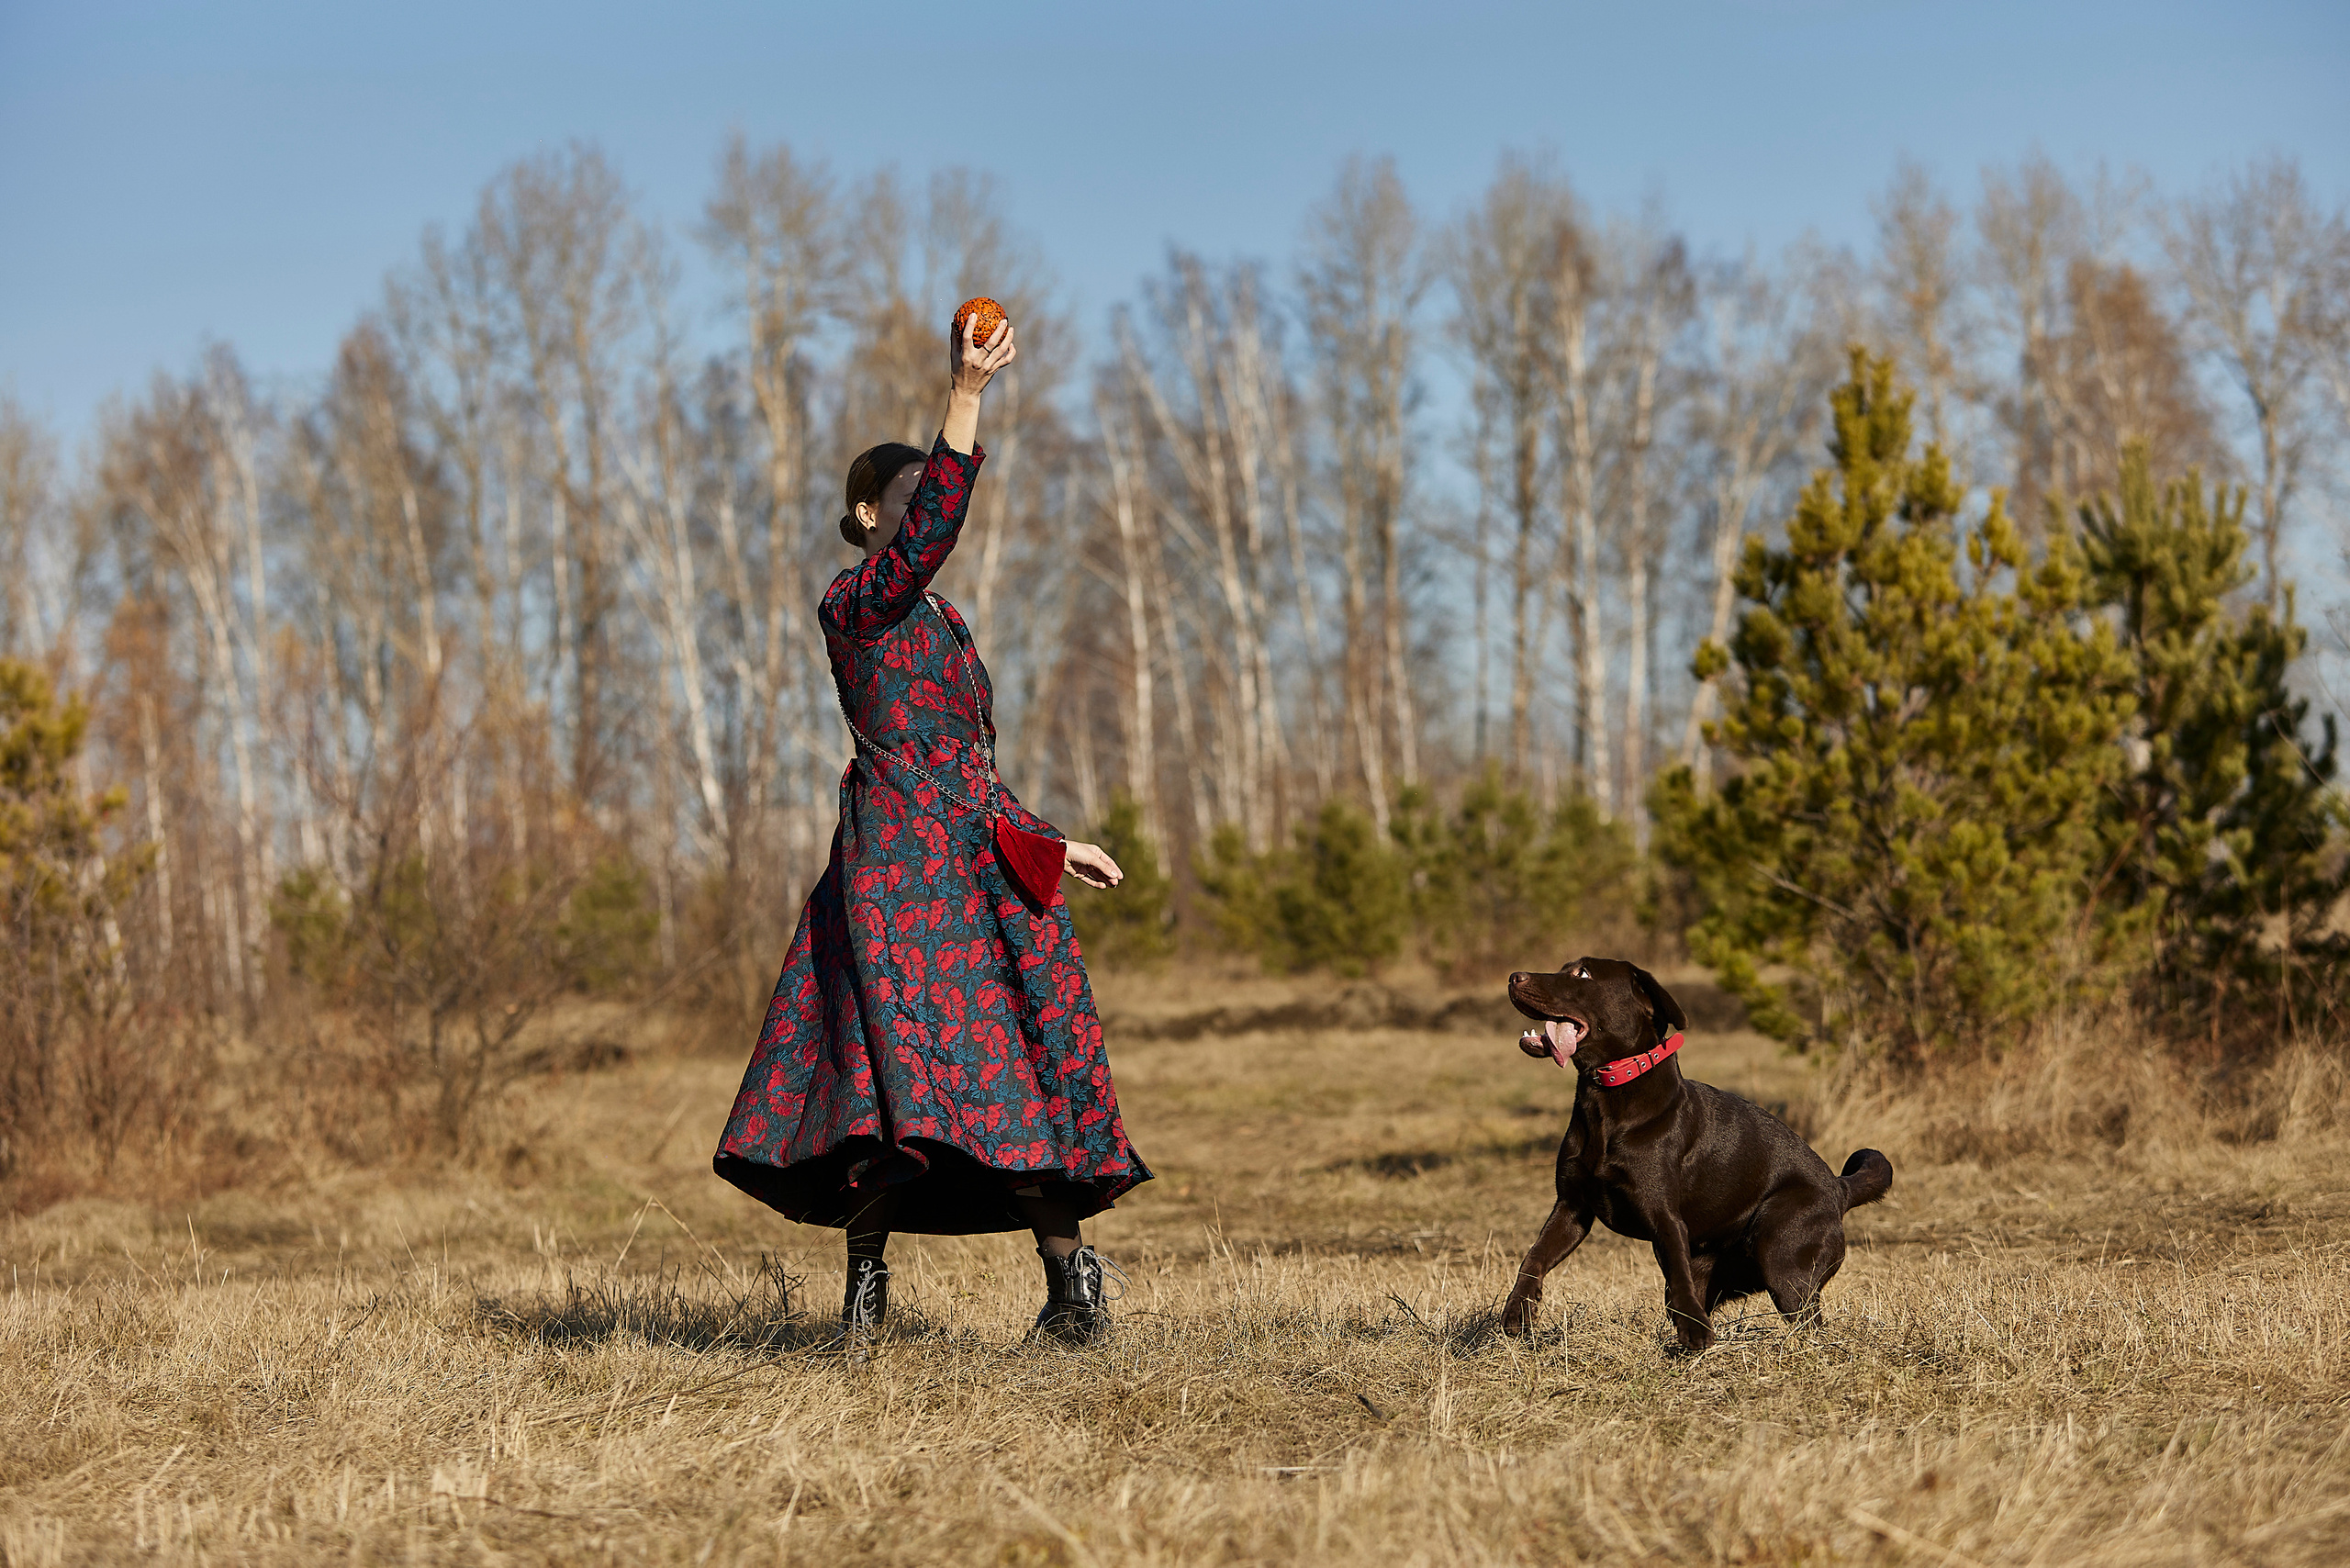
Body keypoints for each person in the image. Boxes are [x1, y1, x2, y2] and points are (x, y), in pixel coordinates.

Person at [713, 313, 1150, 1346]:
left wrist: (1051, 839)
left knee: (1018, 1073)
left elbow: (966, 770)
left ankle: (1070, 1291)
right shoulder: (855, 607)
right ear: (867, 513)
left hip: (975, 871)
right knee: (875, 1088)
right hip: (893, 886)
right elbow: (930, 536)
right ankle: (865, 1296)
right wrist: (966, 395)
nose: (922, 519)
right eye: (904, 502)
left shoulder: (947, 626)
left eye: (928, 500)